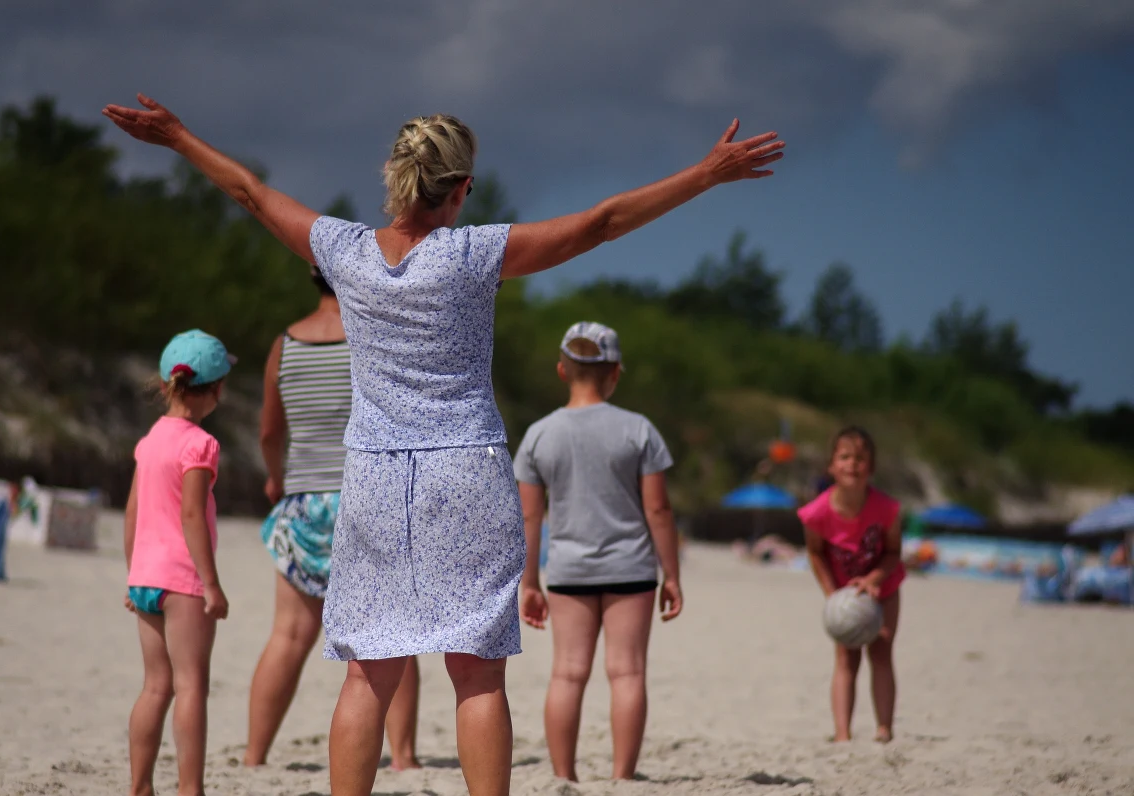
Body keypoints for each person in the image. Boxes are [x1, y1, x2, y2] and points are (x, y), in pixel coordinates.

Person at [103, 93, 783, 796]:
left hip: (371, 477)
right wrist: (704, 174)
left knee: (368, 670)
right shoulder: (472, 254)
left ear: (396, 178)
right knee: (478, 671)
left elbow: (249, 193)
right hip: (464, 470)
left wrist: (178, 136)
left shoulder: (345, 252)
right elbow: (600, 224)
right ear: (460, 188)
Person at [244, 266, 421, 769]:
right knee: (393, 634)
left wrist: (278, 479)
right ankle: (404, 758)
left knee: (289, 636)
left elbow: (269, 432)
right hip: (366, 496)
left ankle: (254, 756)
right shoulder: (371, 335)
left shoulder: (284, 344)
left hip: (304, 501)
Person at [514, 322, 682, 782]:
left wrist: (530, 582)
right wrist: (672, 575)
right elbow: (660, 509)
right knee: (626, 673)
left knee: (567, 674)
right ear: (615, 373)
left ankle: (564, 776)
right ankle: (622, 776)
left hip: (569, 570)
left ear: (562, 370)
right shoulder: (638, 430)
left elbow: (530, 518)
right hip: (631, 567)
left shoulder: (539, 435)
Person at [123, 329, 234, 796]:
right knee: (191, 687)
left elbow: (132, 512)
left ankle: (140, 786)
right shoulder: (199, 445)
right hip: (182, 581)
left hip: (145, 577)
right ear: (212, 390)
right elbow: (192, 514)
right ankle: (191, 788)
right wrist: (211, 583)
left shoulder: (150, 442)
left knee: (155, 686)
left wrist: (133, 574)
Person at [798, 426, 903, 744]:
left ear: (870, 467)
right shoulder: (816, 513)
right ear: (831, 465)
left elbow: (893, 553)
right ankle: (842, 732)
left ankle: (884, 729)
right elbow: (816, 553)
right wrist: (833, 596)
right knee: (846, 657)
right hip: (844, 593)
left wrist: (873, 580)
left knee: (882, 651)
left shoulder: (887, 510)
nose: (852, 464)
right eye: (844, 457)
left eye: (860, 458)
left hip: (882, 588)